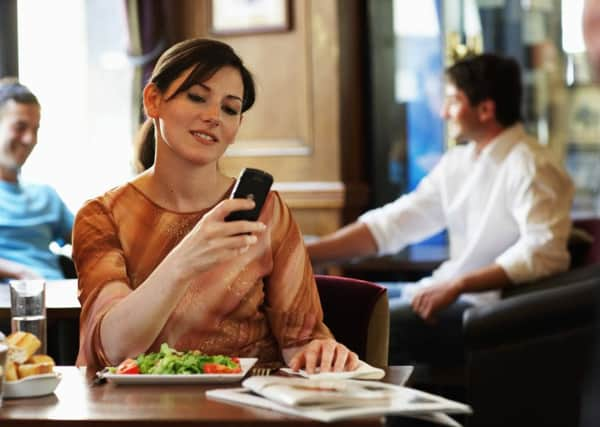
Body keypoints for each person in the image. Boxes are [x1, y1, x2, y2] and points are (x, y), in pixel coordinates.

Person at [72, 38, 360, 374]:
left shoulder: (267, 211)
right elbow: (114, 348)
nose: (213, 117)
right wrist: (186, 259)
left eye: (230, 108)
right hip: (138, 407)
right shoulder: (101, 216)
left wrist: (318, 350)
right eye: (197, 97)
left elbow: (300, 339)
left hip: (250, 400)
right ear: (153, 100)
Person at [307, 53, 574, 364]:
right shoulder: (459, 162)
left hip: (483, 308)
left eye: (453, 101)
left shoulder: (531, 164)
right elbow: (394, 223)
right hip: (443, 288)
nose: (444, 112)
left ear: (486, 109)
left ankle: (382, 413)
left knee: (353, 321)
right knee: (328, 300)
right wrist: (309, 254)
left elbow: (545, 251)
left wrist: (459, 284)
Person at [0, 78, 74, 281]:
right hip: (9, 306)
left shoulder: (46, 196)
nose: (29, 139)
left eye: (36, 129)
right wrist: (19, 272)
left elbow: (91, 239)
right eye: (20, 127)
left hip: (60, 304)